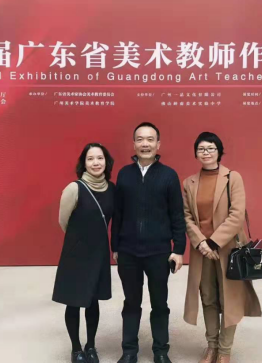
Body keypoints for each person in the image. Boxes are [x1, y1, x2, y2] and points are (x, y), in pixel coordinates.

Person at [183, 132, 262, 364]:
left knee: (230, 299)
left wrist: (213, 242)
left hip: (228, 250)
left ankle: (224, 351)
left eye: (211, 148)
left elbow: (236, 215)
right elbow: (186, 216)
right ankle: (212, 346)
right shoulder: (189, 183)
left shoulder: (232, 178)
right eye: (201, 149)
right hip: (202, 252)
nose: (206, 152)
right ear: (196, 153)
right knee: (208, 298)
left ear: (219, 151)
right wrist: (201, 242)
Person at [112, 122, 187, 364]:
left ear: (158, 144)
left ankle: (161, 351)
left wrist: (178, 249)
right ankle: (129, 351)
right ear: (134, 144)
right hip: (128, 252)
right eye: (140, 139)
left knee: (159, 304)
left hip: (159, 252)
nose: (145, 144)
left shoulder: (169, 175)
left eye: (150, 139)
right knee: (131, 303)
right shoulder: (124, 174)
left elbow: (177, 215)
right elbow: (118, 214)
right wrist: (115, 247)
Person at [53, 143, 116, 364]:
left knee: (92, 301)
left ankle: (90, 346)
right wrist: (79, 241)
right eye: (90, 159)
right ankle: (76, 348)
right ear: (84, 163)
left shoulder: (112, 189)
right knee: (74, 301)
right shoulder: (74, 188)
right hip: (76, 253)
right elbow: (64, 221)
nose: (96, 163)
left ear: (106, 162)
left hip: (99, 252)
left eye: (100, 158)